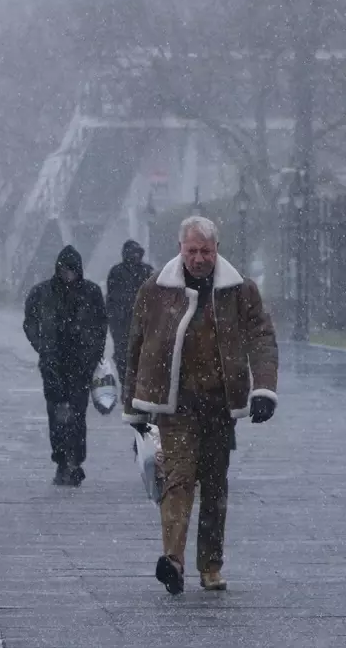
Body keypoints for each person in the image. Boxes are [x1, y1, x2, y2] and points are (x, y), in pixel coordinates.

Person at [122, 216, 278, 594]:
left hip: (219, 405)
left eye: (205, 251)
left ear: (216, 250)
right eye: (192, 251)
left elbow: (261, 338)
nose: (198, 258)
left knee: (214, 486)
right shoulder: (156, 290)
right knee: (176, 481)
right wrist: (134, 407)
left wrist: (264, 390)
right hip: (174, 406)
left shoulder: (239, 291)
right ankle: (173, 561)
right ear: (180, 249)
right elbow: (136, 347)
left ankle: (210, 565)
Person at [23, 245, 108, 487]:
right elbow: (29, 321)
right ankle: (62, 460)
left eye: (72, 270)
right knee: (58, 413)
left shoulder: (90, 292)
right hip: (53, 364)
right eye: (64, 269)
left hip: (80, 364)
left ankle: (74, 461)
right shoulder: (43, 293)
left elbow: (100, 325)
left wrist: (94, 354)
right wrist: (42, 345)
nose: (68, 274)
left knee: (77, 415)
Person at [106, 240, 153, 384]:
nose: (135, 256)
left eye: (137, 253)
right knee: (123, 356)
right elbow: (111, 299)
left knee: (144, 355)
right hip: (122, 322)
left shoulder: (147, 270)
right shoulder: (116, 272)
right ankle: (128, 385)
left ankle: (140, 386)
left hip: (144, 321)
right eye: (133, 253)